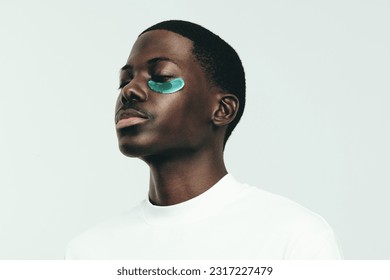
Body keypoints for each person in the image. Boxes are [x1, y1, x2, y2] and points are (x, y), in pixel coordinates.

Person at [66, 20, 342, 259]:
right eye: (124, 81)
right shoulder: (89, 252)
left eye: (160, 77)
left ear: (222, 110)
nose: (130, 90)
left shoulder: (293, 236)